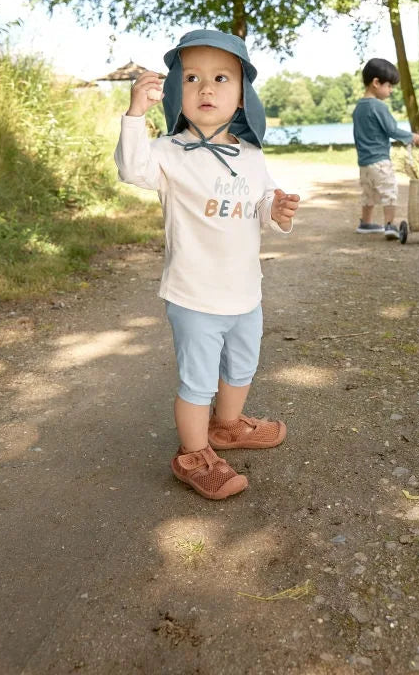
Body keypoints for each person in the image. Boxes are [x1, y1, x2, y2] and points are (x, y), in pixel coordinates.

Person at [115, 29, 300, 500]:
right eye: (192, 78)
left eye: (221, 78)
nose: (206, 88)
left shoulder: (252, 156)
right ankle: (193, 453)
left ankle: (227, 426)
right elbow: (131, 168)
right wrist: (136, 114)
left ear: (242, 97)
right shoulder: (169, 153)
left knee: (241, 367)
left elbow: (261, 203)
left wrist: (275, 212)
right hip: (193, 294)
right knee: (197, 380)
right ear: (176, 91)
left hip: (244, 292)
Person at [352, 57, 419, 239]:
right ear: (376, 83)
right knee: (389, 191)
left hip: (364, 162)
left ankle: (366, 223)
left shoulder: (359, 107)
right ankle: (390, 225)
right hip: (380, 160)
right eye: (389, 86)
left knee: (369, 193)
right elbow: (392, 130)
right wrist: (412, 137)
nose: (391, 90)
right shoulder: (378, 107)